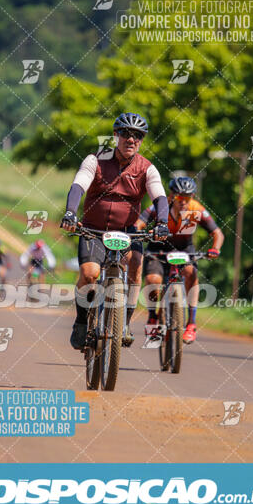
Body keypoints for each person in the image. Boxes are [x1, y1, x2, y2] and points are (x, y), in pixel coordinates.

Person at [61, 112, 169, 350]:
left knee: (136, 265)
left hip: (127, 232)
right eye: (126, 134)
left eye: (137, 136)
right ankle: (81, 321)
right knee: (89, 274)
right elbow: (79, 185)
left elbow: (160, 196)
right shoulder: (95, 160)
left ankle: (125, 323)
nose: (131, 140)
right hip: (93, 230)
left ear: (141, 140)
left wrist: (162, 222)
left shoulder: (147, 168)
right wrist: (70, 212)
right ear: (115, 135)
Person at [135, 176, 224, 344]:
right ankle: (153, 317)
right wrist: (139, 235)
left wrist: (215, 249)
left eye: (187, 197)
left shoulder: (196, 209)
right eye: (179, 197)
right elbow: (139, 223)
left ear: (192, 197)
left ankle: (191, 323)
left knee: (191, 272)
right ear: (171, 196)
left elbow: (218, 233)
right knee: (153, 281)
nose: (183, 201)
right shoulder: (160, 208)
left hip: (184, 251)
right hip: (158, 250)